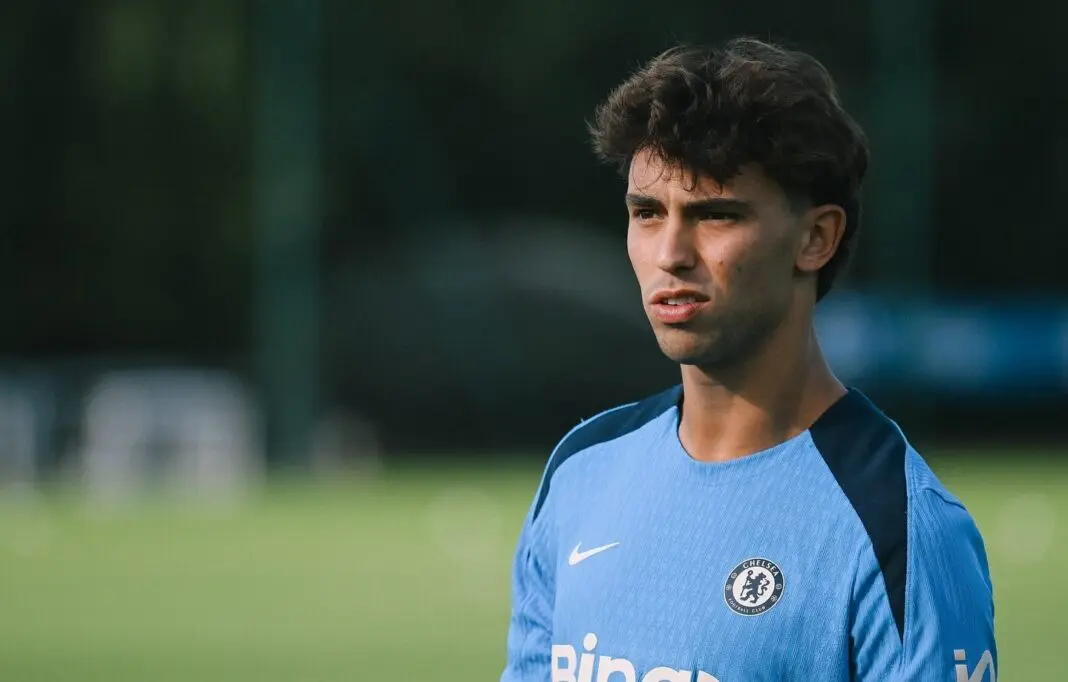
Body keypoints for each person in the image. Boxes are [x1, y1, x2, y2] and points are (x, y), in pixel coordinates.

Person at [500, 37, 997, 682]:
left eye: (715, 215)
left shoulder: (901, 527)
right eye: (647, 213)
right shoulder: (580, 470)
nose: (670, 253)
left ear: (815, 238)